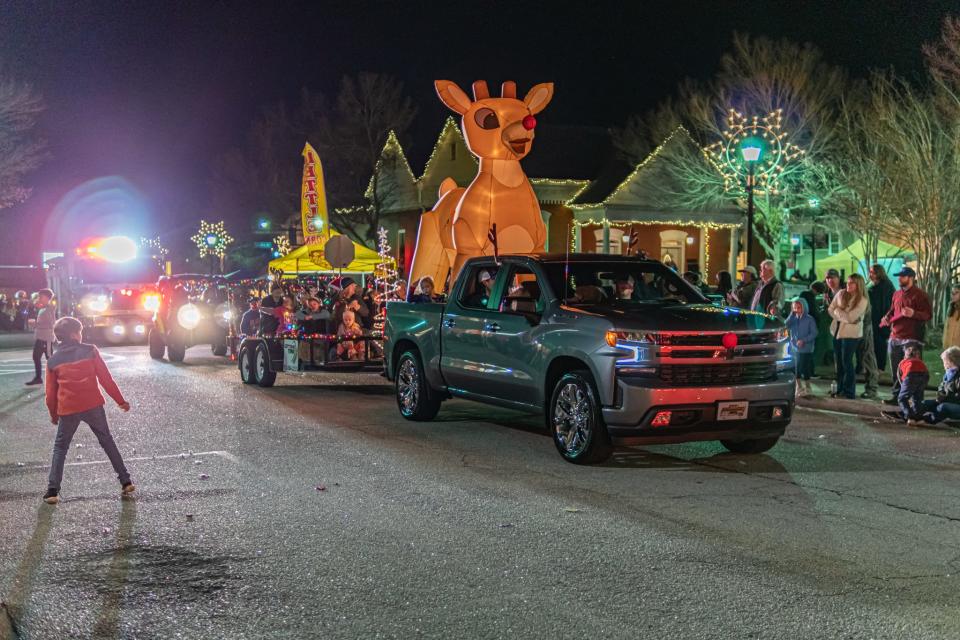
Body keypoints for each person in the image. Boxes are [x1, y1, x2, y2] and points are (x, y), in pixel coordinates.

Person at [42, 316, 133, 505]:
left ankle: (52, 490)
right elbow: (105, 378)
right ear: (75, 334)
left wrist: (53, 414)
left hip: (68, 408)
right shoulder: (90, 351)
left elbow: (50, 394)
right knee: (106, 440)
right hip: (92, 404)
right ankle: (125, 480)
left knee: (60, 447)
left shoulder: (53, 361)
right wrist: (120, 401)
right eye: (80, 331)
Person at [880, 267, 932, 406]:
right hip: (895, 336)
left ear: (911, 278)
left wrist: (913, 313)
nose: (899, 278)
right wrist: (886, 317)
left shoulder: (921, 295)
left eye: (903, 276)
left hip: (912, 338)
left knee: (913, 369)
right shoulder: (896, 294)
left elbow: (928, 315)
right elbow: (893, 310)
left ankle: (916, 400)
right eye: (899, 276)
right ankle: (897, 396)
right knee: (896, 369)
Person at [828, 273, 869, 399]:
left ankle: (849, 391)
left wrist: (839, 312)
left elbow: (851, 316)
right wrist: (843, 315)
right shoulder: (840, 293)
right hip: (836, 331)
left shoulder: (862, 300)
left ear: (858, 285)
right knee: (839, 363)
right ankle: (840, 389)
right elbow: (830, 309)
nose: (848, 285)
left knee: (847, 362)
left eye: (852, 283)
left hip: (851, 334)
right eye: (848, 282)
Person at [881, 342, 929, 426]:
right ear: (918, 355)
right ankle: (919, 417)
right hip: (924, 376)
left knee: (902, 398)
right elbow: (927, 375)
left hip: (911, 375)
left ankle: (910, 417)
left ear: (905, 354)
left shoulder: (903, 362)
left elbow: (900, 378)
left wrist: (905, 389)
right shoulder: (921, 362)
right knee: (918, 399)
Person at [920, 346, 960, 425]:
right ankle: (909, 415)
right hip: (949, 400)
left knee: (943, 407)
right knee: (925, 403)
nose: (943, 364)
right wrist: (940, 395)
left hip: (956, 404)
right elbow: (941, 387)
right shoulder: (949, 373)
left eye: (944, 361)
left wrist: (944, 398)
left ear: (951, 361)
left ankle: (925, 420)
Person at [786, 298, 818, 397]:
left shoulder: (809, 319)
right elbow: (785, 324)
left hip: (806, 348)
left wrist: (804, 340)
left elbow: (814, 333)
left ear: (804, 308)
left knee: (805, 367)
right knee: (796, 368)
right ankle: (798, 387)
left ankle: (808, 387)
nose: (796, 309)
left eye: (799, 307)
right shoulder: (793, 319)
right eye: (794, 307)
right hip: (794, 348)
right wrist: (791, 315)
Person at [25, 289, 56, 386]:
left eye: (41, 297)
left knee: (50, 359)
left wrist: (36, 323)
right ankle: (38, 378)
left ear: (47, 298)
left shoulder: (50, 308)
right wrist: (35, 324)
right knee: (36, 357)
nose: (39, 298)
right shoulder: (43, 308)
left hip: (46, 338)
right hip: (40, 337)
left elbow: (51, 323)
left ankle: (56, 379)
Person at [868, 264, 895, 370]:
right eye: (870, 272)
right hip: (872, 319)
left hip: (881, 320)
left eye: (873, 272)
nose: (870, 275)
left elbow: (888, 304)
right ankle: (873, 367)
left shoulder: (886, 286)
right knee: (872, 345)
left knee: (880, 345)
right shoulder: (871, 285)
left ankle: (880, 367)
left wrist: (886, 318)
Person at [942, 285, 960, 350]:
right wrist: (945, 345)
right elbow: (946, 329)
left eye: (956, 292)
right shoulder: (951, 308)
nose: (953, 295)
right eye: (952, 293)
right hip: (950, 348)